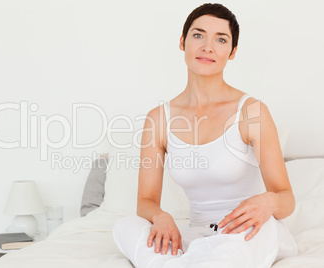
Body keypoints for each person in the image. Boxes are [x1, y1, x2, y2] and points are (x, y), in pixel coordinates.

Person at [112, 3, 298, 268]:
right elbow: (146, 201)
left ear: (232, 52)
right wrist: (160, 216)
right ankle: (194, 259)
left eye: (221, 39)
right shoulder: (158, 119)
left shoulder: (251, 111)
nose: (207, 47)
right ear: (182, 42)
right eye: (198, 35)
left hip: (247, 231)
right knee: (124, 226)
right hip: (195, 235)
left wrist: (268, 201)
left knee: (233, 246)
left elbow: (286, 199)